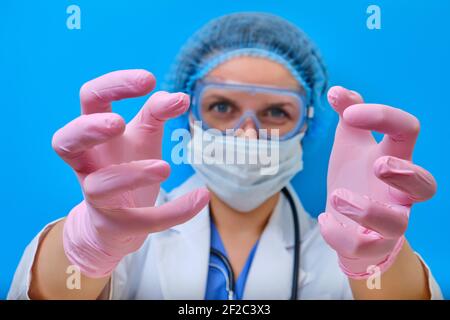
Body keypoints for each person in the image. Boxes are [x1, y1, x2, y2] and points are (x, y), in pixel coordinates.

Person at [8, 12, 442, 300]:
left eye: (275, 112)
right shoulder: (128, 231)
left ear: (306, 126)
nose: (248, 134)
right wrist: (86, 250)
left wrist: (376, 264)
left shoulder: (341, 250)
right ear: (189, 117)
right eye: (221, 108)